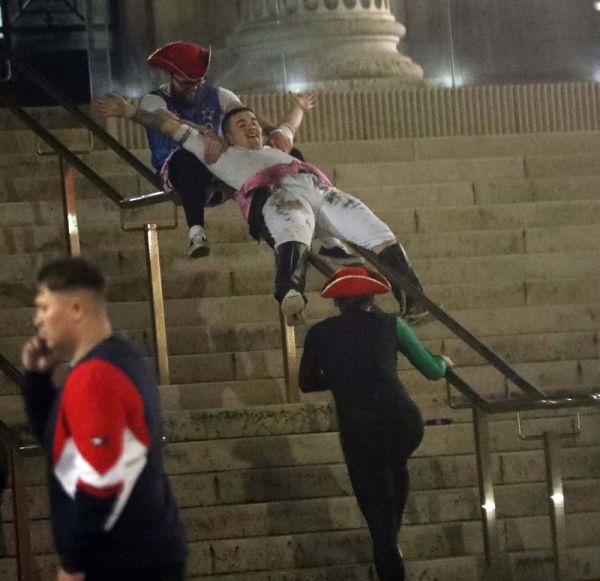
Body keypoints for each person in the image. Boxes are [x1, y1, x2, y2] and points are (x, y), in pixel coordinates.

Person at [94, 93, 429, 326]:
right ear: (227, 136)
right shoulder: (220, 154)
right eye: (242, 124)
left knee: (372, 228)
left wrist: (299, 107)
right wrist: (129, 112)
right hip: (274, 194)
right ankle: (290, 292)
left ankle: (414, 299)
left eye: (253, 122)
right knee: (293, 225)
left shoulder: (276, 146)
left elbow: (289, 125)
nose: (252, 126)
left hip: (316, 187)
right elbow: (170, 127)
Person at [20, 257, 186, 581]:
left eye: (44, 307)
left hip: (120, 560)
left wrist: (73, 564)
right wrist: (37, 381)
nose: (37, 319)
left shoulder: (95, 376)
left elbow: (101, 482)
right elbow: (65, 453)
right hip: (140, 552)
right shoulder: (121, 358)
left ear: (76, 309)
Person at [298, 267, 453, 581]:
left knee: (378, 516)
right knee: (395, 472)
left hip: (360, 431)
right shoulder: (391, 324)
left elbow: (306, 383)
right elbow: (431, 370)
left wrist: (341, 377)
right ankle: (390, 547)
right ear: (371, 298)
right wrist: (443, 362)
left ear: (337, 302)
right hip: (402, 423)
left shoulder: (320, 333)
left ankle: (388, 550)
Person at [141, 40, 296, 258]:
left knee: (285, 158)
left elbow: (241, 112)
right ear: (171, 78)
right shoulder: (153, 100)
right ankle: (196, 232)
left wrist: (273, 131)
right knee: (188, 158)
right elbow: (168, 121)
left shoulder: (218, 94)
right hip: (179, 170)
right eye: (187, 84)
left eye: (198, 83)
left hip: (218, 164)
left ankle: (287, 237)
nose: (194, 89)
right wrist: (205, 132)